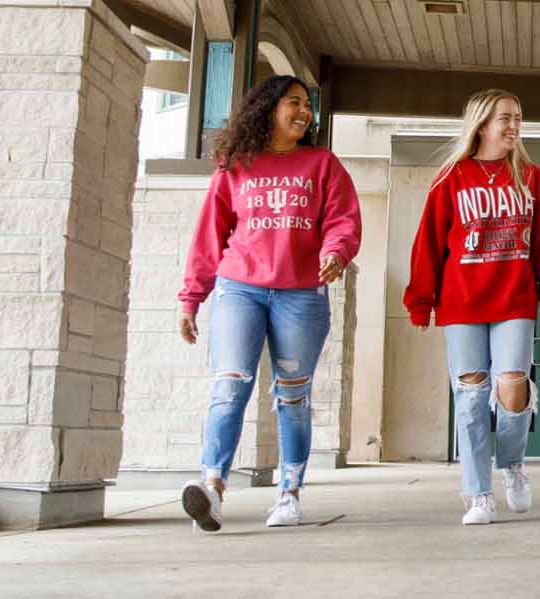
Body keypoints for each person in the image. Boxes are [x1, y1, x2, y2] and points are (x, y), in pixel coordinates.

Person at [177, 75, 361, 532]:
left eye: (307, 105)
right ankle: (212, 488)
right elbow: (209, 236)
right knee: (229, 385)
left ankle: (289, 494)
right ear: (267, 108)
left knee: (292, 396)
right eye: (293, 103)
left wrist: (336, 252)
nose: (304, 112)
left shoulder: (323, 164)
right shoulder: (235, 165)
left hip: (301, 292)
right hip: (239, 287)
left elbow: (342, 219)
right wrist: (191, 297)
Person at [404, 89, 540, 526]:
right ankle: (477, 493)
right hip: (462, 305)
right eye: (506, 119)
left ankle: (512, 465)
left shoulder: (530, 178)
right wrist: (420, 301)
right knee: (471, 399)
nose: (514, 126)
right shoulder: (450, 178)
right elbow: (428, 246)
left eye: (518, 118)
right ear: (481, 124)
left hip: (514, 299)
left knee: (513, 388)